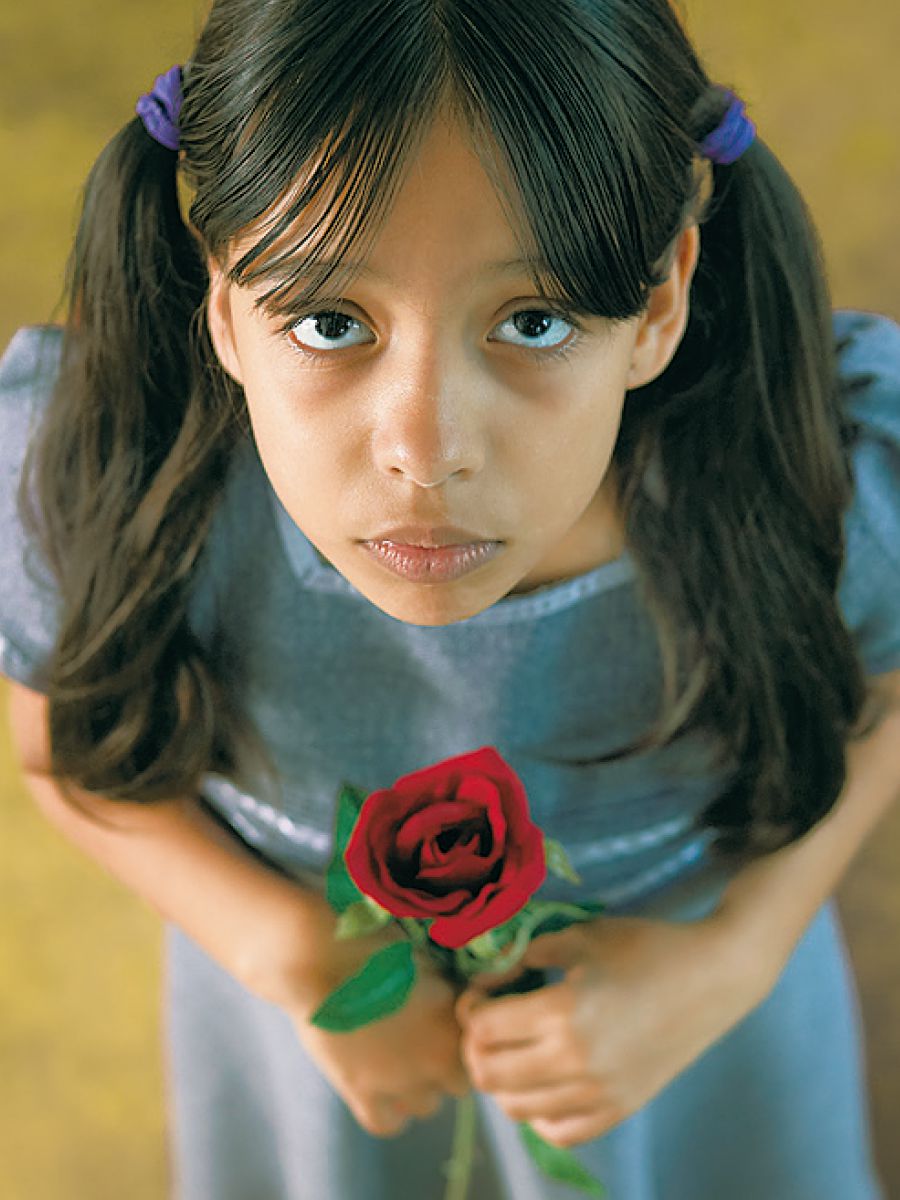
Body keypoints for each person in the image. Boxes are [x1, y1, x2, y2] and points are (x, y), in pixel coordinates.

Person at [2, 1, 898, 1196]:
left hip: (697, 1059)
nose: (425, 451)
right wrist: (287, 954)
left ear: (662, 303)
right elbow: (62, 736)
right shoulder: (113, 483)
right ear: (222, 304)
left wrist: (734, 955)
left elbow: (881, 692)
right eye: (330, 322)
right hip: (313, 1081)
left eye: (533, 322)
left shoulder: (817, 477)